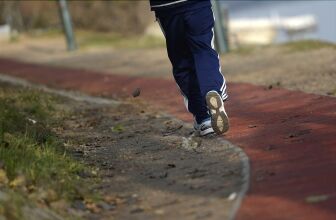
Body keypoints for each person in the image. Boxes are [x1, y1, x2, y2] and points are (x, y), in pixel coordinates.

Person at [150, 0, 229, 136]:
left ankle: (203, 118)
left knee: (182, 61)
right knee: (203, 51)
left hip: (166, 7)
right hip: (196, 4)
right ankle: (213, 90)